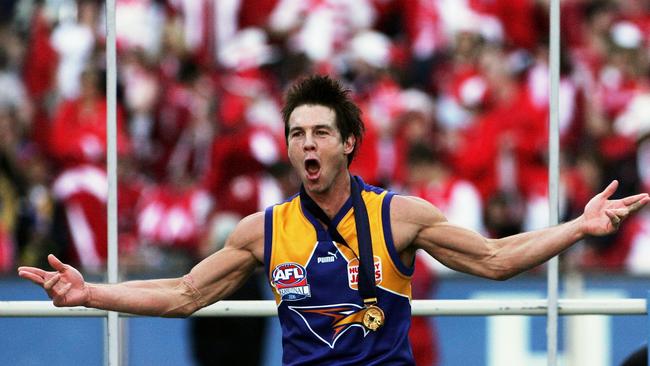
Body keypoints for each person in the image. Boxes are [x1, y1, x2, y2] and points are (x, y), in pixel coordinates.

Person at [18, 75, 650, 365]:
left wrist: (578, 226)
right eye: (297, 134)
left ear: (348, 143)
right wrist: (90, 292)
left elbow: (494, 260)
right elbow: (185, 294)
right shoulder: (261, 230)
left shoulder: (399, 216)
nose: (307, 144)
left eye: (321, 132)